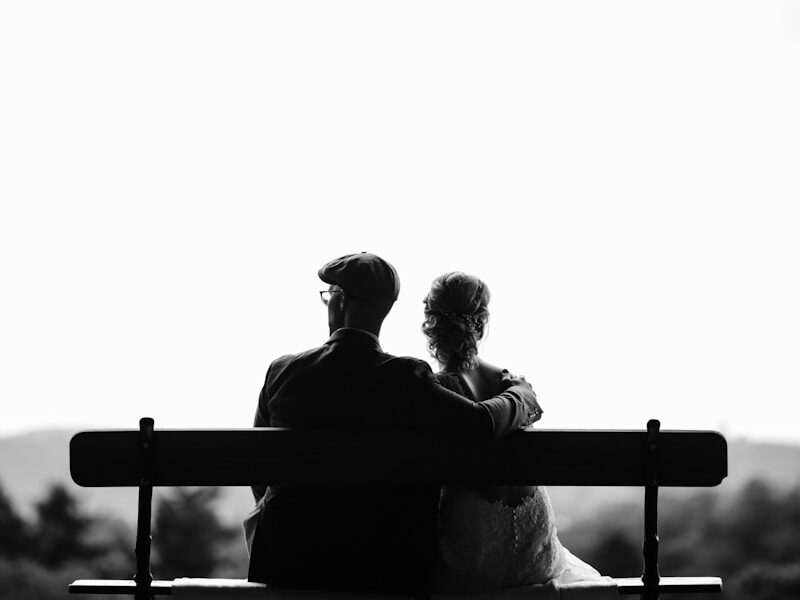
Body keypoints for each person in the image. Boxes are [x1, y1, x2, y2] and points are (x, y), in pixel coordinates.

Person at [244, 253, 542, 599]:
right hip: (383, 567)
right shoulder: (406, 378)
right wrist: (522, 396)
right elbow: (480, 423)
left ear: (339, 299)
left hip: (286, 560)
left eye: (328, 296)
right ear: (384, 311)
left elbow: (256, 464)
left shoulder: (282, 372)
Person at [421, 271, 604, 591]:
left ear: (430, 323)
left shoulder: (434, 391)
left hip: (476, 547)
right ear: (482, 322)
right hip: (536, 541)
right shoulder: (512, 385)